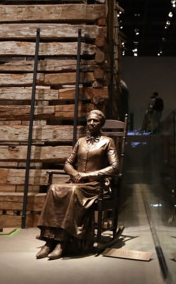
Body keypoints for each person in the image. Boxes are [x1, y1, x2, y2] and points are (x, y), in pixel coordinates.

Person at [36, 109, 119, 259]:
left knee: (73, 192)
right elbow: (68, 163)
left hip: (95, 185)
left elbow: (115, 167)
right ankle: (49, 241)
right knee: (54, 188)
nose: (92, 123)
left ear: (101, 124)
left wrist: (88, 175)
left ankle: (62, 242)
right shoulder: (80, 141)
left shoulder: (107, 141)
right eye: (89, 120)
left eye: (95, 121)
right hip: (77, 182)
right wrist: (75, 174)